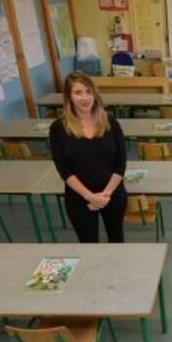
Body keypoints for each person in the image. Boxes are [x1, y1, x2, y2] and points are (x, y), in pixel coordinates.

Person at [49, 72, 127, 243]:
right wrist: (90, 197)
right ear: (69, 97)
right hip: (79, 198)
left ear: (95, 94)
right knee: (88, 244)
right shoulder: (58, 129)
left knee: (117, 238)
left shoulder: (110, 122)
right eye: (78, 93)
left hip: (112, 194)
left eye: (88, 91)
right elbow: (64, 171)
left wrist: (105, 196)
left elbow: (120, 164)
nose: (85, 97)